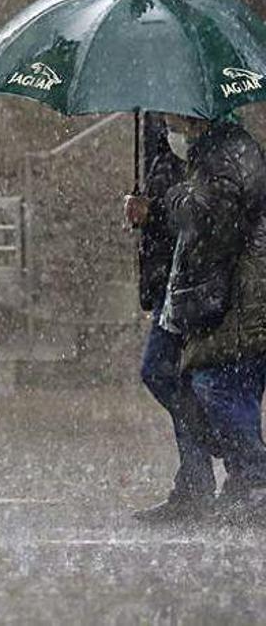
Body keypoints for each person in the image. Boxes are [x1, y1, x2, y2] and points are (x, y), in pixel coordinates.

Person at [159, 113, 266, 523]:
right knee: (216, 385)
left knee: (216, 387)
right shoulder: (220, 151)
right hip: (228, 291)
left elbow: (213, 221)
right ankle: (242, 482)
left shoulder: (225, 153)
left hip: (235, 294)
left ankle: (253, 478)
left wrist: (173, 199)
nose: (168, 123)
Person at [126, 113, 216, 522]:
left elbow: (200, 209)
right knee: (171, 375)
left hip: (192, 280)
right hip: (171, 277)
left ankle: (215, 454)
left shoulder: (203, 140)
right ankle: (195, 480)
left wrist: (154, 211)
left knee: (164, 371)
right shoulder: (157, 133)